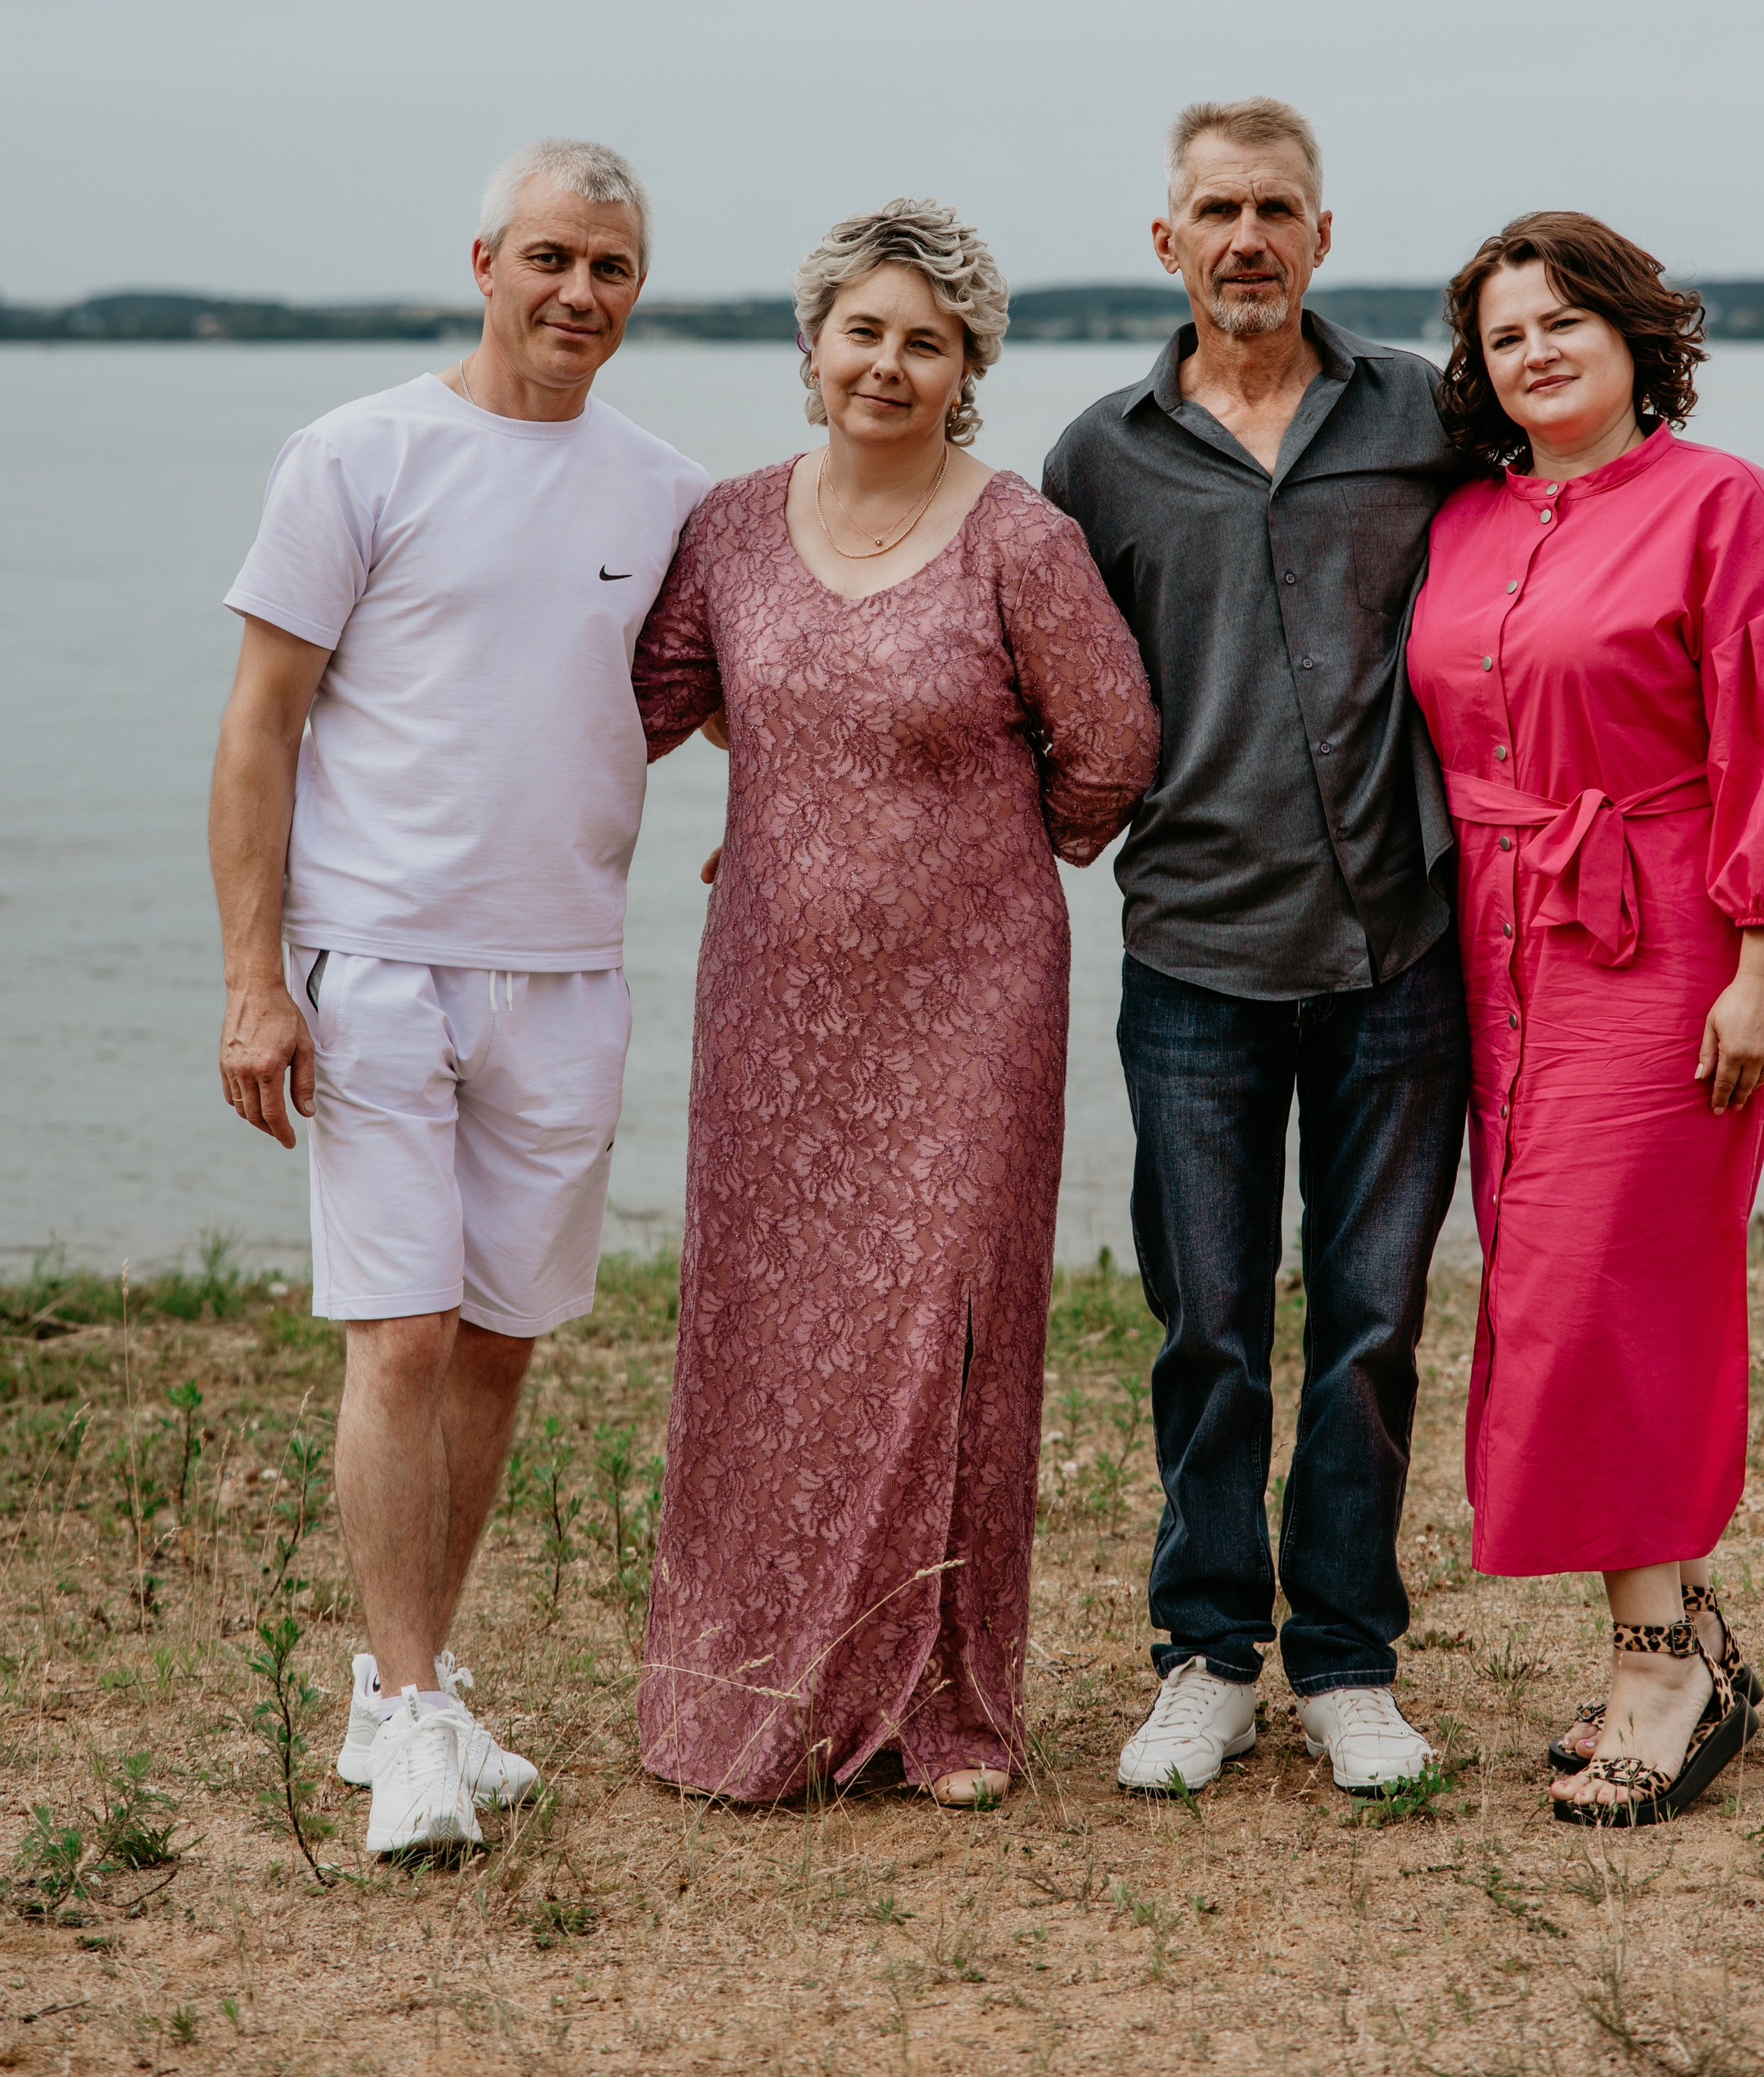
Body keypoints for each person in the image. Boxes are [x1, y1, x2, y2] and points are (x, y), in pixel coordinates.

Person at [209, 139, 708, 1856]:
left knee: (497, 1346)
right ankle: (410, 1717)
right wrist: (251, 983)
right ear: (484, 257)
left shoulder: (662, 490)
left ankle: (405, 1681)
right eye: (553, 258)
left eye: (615, 270)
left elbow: (726, 698)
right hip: (376, 965)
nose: (581, 295)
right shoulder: (359, 453)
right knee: (402, 1332)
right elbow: (260, 724)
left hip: (568, 969)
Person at [631, 199, 1157, 1807]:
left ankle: (946, 1710)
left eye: (923, 340)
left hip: (972, 1001)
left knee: (945, 1333)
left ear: (966, 368)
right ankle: (750, 1681)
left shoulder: (1019, 537)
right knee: (769, 1324)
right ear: (810, 352)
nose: (887, 361)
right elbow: (649, 704)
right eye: (860, 331)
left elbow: (1113, 749)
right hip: (774, 1002)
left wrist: (967, 860)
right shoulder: (722, 527)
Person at [1408, 212, 1764, 1825]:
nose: (1531, 350)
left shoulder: (1724, 507)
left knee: (1613, 1291)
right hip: (1500, 943)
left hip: (1667, 933)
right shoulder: (1463, 519)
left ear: (1627, 334)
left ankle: (1659, 1668)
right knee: (1549, 1287)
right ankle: (1675, 1641)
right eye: (1501, 332)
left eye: (1561, 320)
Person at [1044, 99, 1474, 1797]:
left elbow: (1552, 567)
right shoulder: (1099, 456)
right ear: (1165, 242)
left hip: (1401, 954)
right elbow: (1024, 682)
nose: (1244, 238)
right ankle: (1204, 1654)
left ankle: (1345, 1663)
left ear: (1317, 233)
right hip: (1196, 959)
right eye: (1212, 210)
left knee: (1370, 1324)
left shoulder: (1424, 419)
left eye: (1273, 209)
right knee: (1205, 1325)